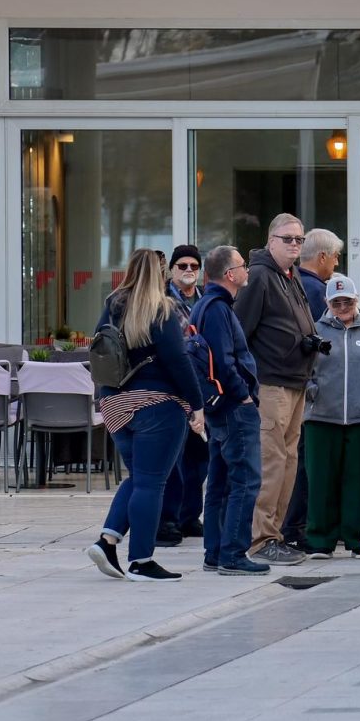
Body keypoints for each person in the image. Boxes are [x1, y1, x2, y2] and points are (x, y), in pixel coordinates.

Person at [86, 249, 206, 582]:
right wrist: (197, 407)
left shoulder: (112, 305)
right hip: (156, 404)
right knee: (152, 482)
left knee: (139, 476)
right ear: (160, 274)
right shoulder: (161, 309)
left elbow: (99, 351)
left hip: (115, 404)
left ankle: (107, 541)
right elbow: (179, 362)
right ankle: (141, 559)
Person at [232, 213, 317, 566]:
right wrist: (246, 385)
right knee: (272, 461)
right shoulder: (260, 277)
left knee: (288, 461)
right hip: (270, 383)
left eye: (299, 239)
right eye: (288, 239)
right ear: (271, 240)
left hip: (295, 381)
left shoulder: (290, 275)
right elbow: (239, 332)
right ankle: (261, 537)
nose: (295, 245)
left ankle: (275, 534)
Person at [302, 275, 360, 559]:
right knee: (321, 480)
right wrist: (312, 391)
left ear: (356, 301)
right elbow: (301, 369)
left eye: (347, 301)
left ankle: (355, 539)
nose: (342, 306)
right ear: (328, 303)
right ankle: (321, 540)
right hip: (321, 418)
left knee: (358, 480)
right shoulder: (315, 331)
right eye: (336, 302)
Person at [192, 245, 269, 575]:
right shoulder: (219, 310)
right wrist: (243, 396)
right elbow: (224, 361)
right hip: (233, 408)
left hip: (217, 408)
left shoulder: (204, 306)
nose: (247, 270)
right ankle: (234, 554)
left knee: (221, 480)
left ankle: (215, 551)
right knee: (246, 481)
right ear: (229, 274)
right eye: (242, 265)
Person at [283, 227, 343, 551]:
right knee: (305, 461)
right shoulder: (319, 291)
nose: (335, 264)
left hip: (291, 385)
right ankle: (296, 526)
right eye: (334, 257)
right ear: (322, 257)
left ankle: (288, 524)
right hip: (311, 390)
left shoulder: (289, 283)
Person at [160, 243, 207, 544]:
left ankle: (190, 516)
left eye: (193, 266)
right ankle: (169, 519)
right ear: (172, 270)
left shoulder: (206, 301)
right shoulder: (161, 302)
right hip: (173, 389)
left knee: (199, 458)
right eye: (183, 266)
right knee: (173, 459)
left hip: (202, 388)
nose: (189, 271)